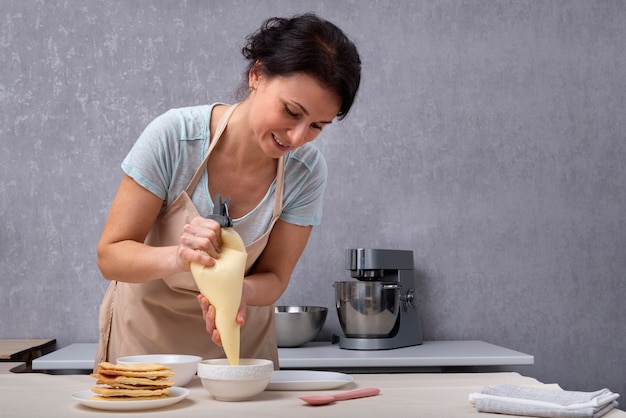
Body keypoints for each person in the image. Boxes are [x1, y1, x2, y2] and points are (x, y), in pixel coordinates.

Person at [95, 13, 361, 367]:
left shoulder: (305, 171)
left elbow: (276, 276)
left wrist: (239, 293)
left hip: (239, 342)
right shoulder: (175, 138)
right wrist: (180, 257)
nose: (297, 138)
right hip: (148, 342)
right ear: (257, 75)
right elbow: (110, 256)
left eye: (317, 126)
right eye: (291, 112)